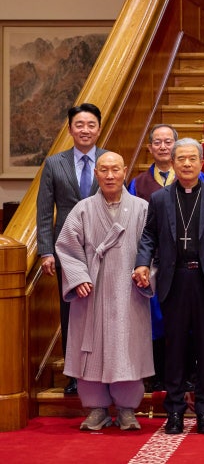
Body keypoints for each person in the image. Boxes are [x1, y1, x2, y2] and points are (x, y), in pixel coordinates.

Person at [133, 138, 204, 436]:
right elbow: (148, 236)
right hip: (175, 280)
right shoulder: (160, 199)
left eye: (192, 158)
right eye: (180, 158)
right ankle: (175, 412)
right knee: (175, 350)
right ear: (172, 162)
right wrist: (142, 263)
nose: (186, 163)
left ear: (201, 162)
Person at [55, 152, 152, 431]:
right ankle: (96, 408)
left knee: (128, 347)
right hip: (91, 291)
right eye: (104, 170)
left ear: (125, 171)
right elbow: (66, 246)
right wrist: (78, 278)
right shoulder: (83, 209)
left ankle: (127, 409)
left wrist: (146, 271)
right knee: (90, 350)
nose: (110, 176)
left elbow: (153, 246)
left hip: (128, 290)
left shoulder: (142, 208)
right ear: (96, 173)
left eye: (115, 170)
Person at [128, 123, 204, 392]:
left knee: (189, 320)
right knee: (156, 319)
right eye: (157, 142)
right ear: (150, 147)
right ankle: (157, 373)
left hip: (190, 264)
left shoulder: (198, 177)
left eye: (168, 142)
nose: (163, 147)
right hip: (156, 264)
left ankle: (189, 373)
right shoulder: (138, 183)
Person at [36, 102, 107, 396]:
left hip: (103, 248)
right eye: (79, 125)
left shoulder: (109, 160)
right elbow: (44, 211)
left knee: (102, 309)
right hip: (67, 249)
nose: (85, 130)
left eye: (91, 125)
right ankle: (75, 374)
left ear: (99, 129)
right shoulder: (55, 163)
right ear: (70, 129)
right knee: (70, 312)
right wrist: (46, 251)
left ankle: (102, 370)